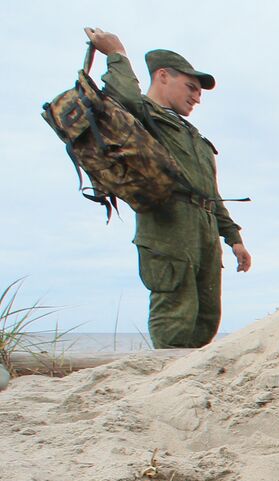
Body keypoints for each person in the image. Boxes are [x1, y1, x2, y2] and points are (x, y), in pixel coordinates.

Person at [83, 28, 252, 349]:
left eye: (199, 92)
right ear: (162, 76)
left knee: (205, 320)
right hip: (168, 231)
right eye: (191, 87)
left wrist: (234, 238)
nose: (197, 96)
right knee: (175, 318)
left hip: (202, 231)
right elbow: (125, 95)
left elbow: (210, 193)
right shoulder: (144, 115)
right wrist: (116, 53)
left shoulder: (194, 137)